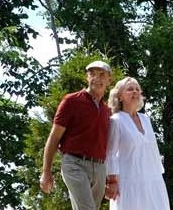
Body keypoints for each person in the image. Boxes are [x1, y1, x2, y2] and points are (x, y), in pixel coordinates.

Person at [40, 60, 118, 209]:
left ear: (109, 80)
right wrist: (46, 172)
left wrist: (111, 178)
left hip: (100, 168)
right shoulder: (72, 101)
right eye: (92, 74)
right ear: (87, 78)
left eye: (102, 75)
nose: (97, 78)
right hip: (74, 164)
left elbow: (110, 147)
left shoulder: (106, 110)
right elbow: (54, 137)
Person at [105, 76, 170, 210]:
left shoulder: (146, 119)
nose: (135, 92)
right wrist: (112, 181)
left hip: (153, 180)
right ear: (120, 96)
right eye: (129, 89)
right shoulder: (116, 120)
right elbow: (110, 153)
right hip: (128, 182)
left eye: (137, 89)